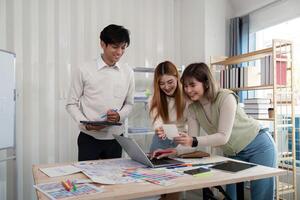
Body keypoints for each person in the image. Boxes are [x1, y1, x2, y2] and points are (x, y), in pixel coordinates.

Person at [152, 62, 276, 200]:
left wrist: (192, 140)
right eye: (185, 86)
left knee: (261, 196)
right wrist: (173, 151)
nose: (187, 90)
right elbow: (191, 143)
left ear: (205, 82)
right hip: (233, 153)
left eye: (192, 85)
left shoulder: (226, 97)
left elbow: (222, 137)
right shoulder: (193, 108)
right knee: (230, 197)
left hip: (258, 146)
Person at [66, 24, 134, 161]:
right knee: (87, 180)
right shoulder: (84, 69)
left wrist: (119, 115)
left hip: (116, 139)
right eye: (115, 47)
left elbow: (129, 103)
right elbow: (71, 104)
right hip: (89, 139)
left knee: (113, 180)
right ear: (102, 44)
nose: (119, 52)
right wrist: (84, 123)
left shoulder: (128, 71)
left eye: (123, 47)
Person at [148, 61, 187, 152]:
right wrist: (159, 128)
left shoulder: (187, 97)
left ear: (177, 78)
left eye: (170, 82)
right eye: (162, 83)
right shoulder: (153, 100)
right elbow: (157, 122)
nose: (166, 87)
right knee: (156, 164)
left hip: (182, 140)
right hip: (162, 139)